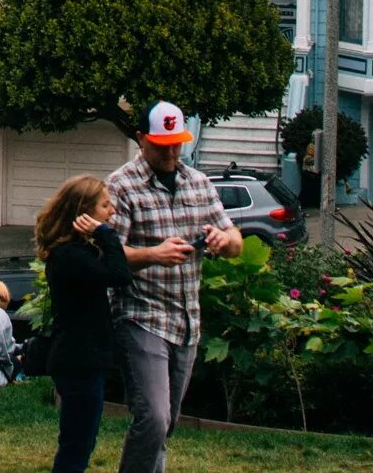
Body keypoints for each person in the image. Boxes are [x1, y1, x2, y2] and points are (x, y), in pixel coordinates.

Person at [104, 103, 241, 473]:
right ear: (141, 140)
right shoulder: (121, 185)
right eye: (160, 145)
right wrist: (152, 255)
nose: (169, 153)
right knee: (153, 416)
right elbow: (108, 257)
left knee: (167, 423)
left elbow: (235, 239)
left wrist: (222, 241)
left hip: (187, 321)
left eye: (176, 144)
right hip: (141, 315)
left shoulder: (199, 183)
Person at [37, 176, 132, 473]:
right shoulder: (70, 257)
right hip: (79, 360)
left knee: (81, 441)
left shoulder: (74, 253)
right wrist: (106, 234)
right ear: (84, 212)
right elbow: (119, 274)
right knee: (76, 444)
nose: (112, 211)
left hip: (83, 359)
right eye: (105, 205)